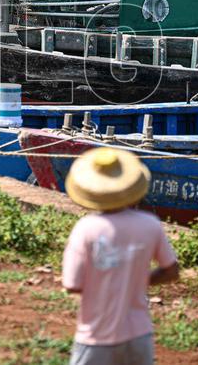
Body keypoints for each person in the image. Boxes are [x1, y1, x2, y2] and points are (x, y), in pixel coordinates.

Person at [62, 147, 179, 365]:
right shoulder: (150, 225)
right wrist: (137, 280)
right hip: (139, 335)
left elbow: (72, 284)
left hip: (96, 336)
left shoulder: (86, 229)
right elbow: (171, 270)